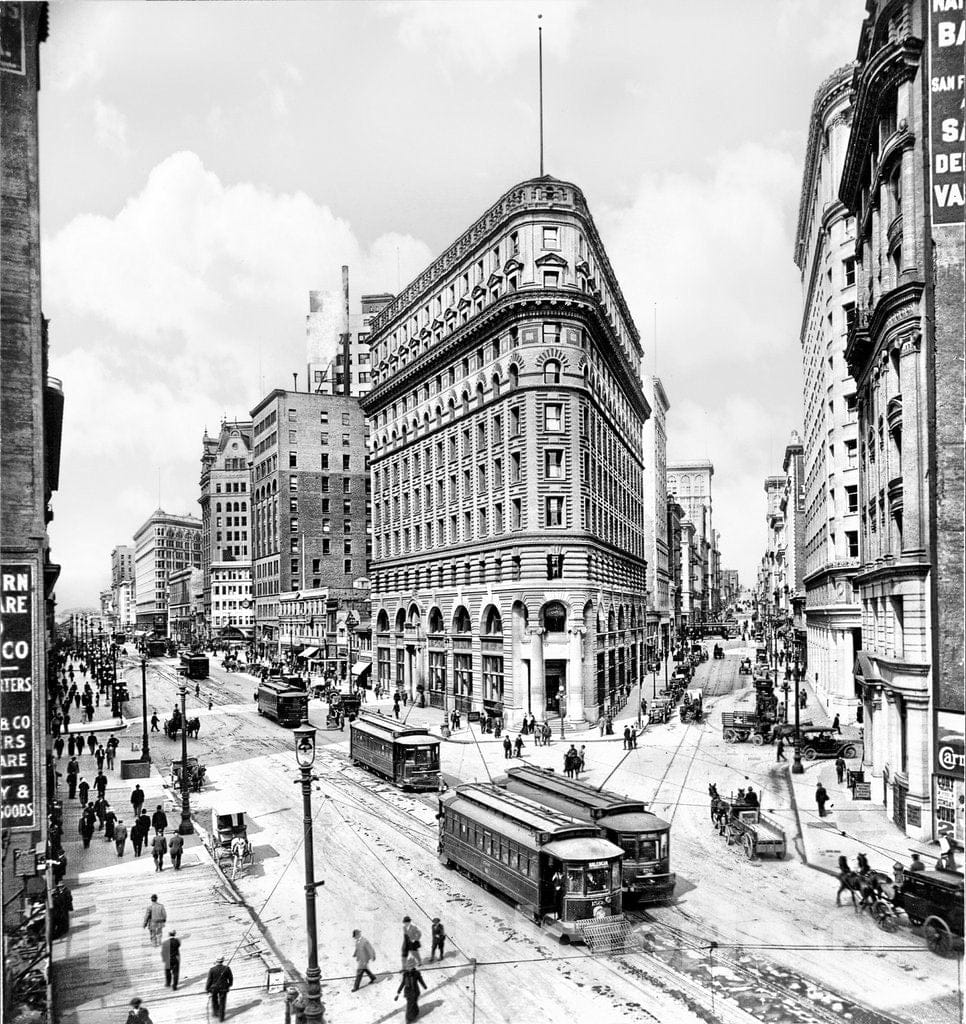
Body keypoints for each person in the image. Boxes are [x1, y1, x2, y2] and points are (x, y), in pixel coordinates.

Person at [394, 956, 428, 1023]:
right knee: (410, 1005)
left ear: (413, 966)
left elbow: (421, 980)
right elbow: (403, 983)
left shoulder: (416, 973)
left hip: (415, 992)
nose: (409, 968)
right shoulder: (405, 974)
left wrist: (424, 985)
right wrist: (398, 991)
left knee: (412, 1004)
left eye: (410, 967)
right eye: (408, 967)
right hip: (408, 993)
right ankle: (412, 1015)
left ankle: (412, 1016)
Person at [205, 956, 234, 1022]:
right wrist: (229, 985)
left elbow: (209, 980)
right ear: (222, 961)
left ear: (216, 961)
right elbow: (231, 978)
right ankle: (221, 1018)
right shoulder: (227, 968)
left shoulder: (212, 969)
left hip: (214, 988)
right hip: (224, 988)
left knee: (214, 1000)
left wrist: (207, 989)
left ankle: (215, 1013)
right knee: (222, 1002)